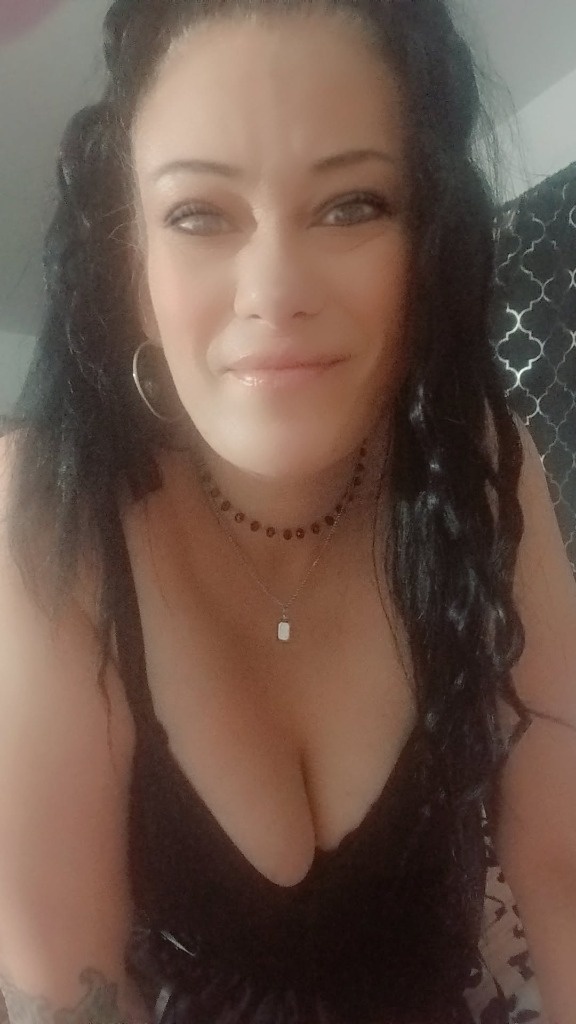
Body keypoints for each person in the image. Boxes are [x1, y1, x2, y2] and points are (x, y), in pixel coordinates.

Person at [0, 0, 575, 1021]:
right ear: (132, 262)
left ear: (427, 238)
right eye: (198, 214)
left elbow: (564, 864)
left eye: (352, 205)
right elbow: (64, 988)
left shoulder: (483, 460)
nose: (274, 290)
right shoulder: (48, 508)